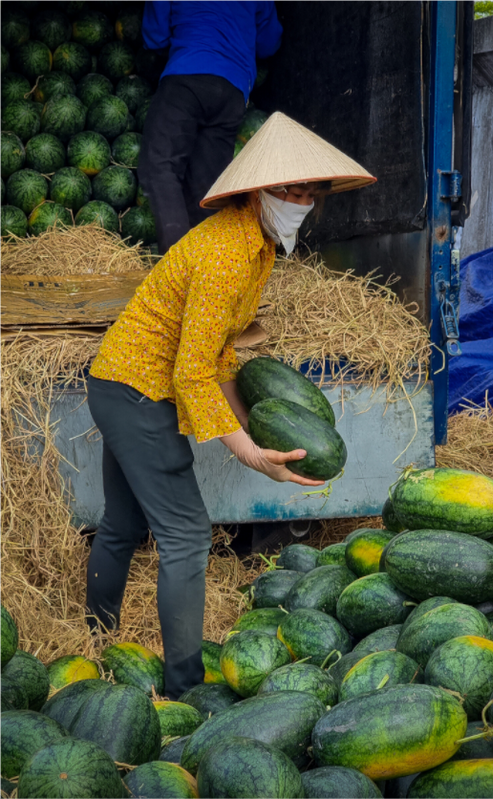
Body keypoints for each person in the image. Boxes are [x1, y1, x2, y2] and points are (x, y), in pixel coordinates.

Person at [86, 112, 376, 700]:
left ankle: (96, 636)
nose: (297, 199)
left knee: (121, 519)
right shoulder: (226, 253)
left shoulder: (257, 245)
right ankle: (186, 689)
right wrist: (250, 454)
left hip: (121, 381)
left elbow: (215, 356)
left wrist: (253, 428)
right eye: (284, 188)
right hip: (136, 391)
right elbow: (192, 371)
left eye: (307, 191)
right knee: (189, 537)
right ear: (256, 189)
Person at [138, 0, 283, 255]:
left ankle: (176, 265)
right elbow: (269, 43)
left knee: (160, 165)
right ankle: (204, 268)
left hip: (187, 76)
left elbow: (154, 36)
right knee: (207, 189)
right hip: (233, 91)